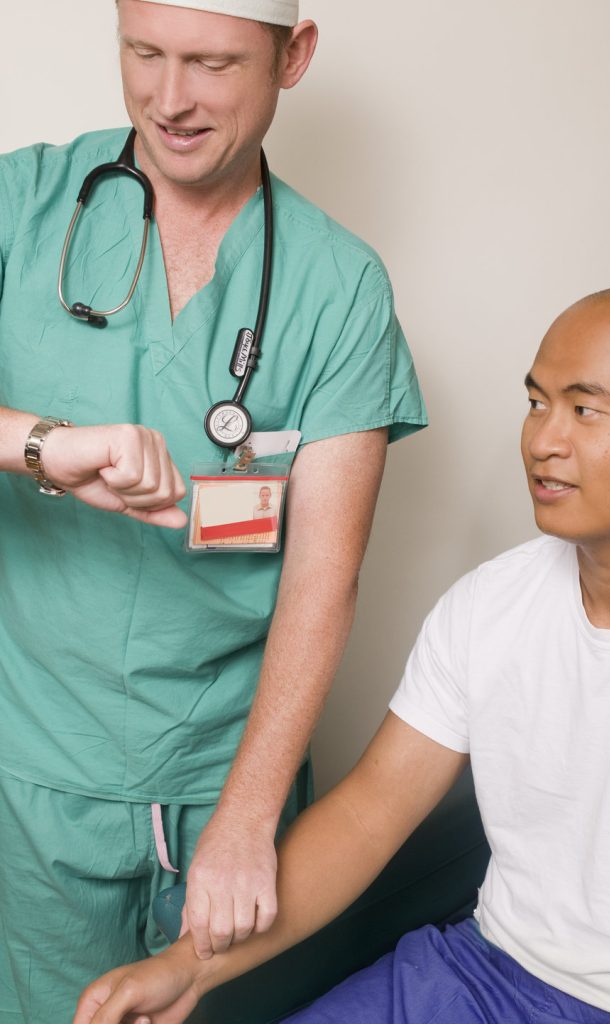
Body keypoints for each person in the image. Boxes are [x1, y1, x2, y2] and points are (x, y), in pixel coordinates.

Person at [75, 280, 610, 1024]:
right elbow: (370, 813)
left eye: (585, 410)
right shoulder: (490, 606)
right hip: (479, 971)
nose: (543, 440)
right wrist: (187, 971)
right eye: (536, 402)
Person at [0, 1, 427, 1020]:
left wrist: (244, 819)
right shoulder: (23, 204)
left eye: (212, 63)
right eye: (143, 53)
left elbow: (323, 576)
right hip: (34, 770)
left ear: (293, 56)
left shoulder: (338, 287)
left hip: (229, 774)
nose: (168, 98)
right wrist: (39, 443)